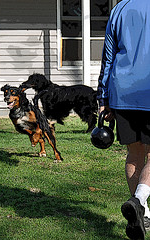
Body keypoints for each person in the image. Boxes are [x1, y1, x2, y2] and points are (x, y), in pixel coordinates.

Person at [97, 0, 150, 239]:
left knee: (135, 153)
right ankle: (139, 200)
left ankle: (142, 215)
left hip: (123, 91)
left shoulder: (119, 8)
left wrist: (103, 97)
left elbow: (108, 57)